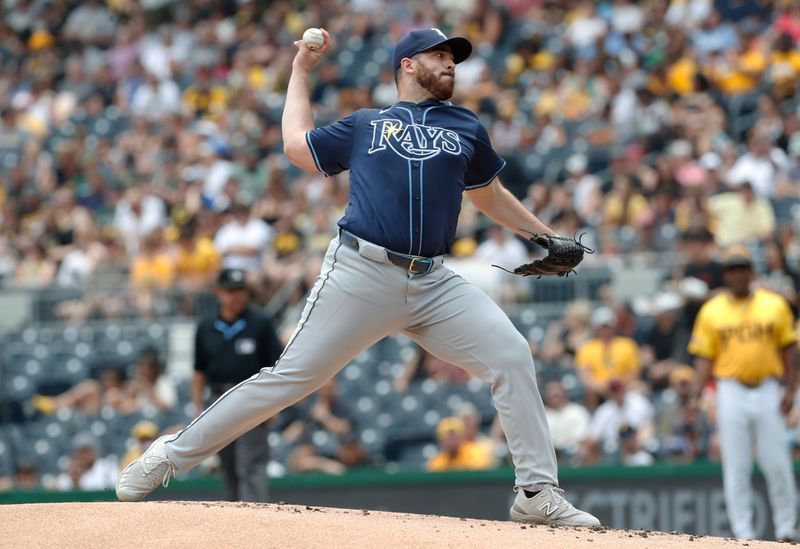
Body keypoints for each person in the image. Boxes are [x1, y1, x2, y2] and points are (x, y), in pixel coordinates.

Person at [117, 27, 599, 527]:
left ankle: (536, 491)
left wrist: (543, 236)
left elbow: (489, 195)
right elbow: (296, 146)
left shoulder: (466, 125)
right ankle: (169, 454)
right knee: (289, 380)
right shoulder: (368, 123)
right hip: (361, 272)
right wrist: (300, 71)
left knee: (512, 354)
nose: (451, 63)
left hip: (434, 282)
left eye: (454, 56)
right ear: (407, 65)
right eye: (439, 54)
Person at [688, 245, 798, 541]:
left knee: (777, 463)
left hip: (767, 388)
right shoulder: (712, 310)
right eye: (732, 269)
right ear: (725, 274)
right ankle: (743, 533)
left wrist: (791, 388)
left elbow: (790, 349)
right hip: (730, 390)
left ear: (752, 271)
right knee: (736, 465)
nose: (737, 273)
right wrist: (697, 394)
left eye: (742, 268)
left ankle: (786, 528)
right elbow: (704, 358)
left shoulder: (774, 304)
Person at [190, 268, 283, 502]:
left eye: (241, 290)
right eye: (231, 291)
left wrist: (273, 406)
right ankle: (236, 523)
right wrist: (198, 407)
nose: (237, 295)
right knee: (228, 466)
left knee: (251, 465)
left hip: (253, 399)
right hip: (218, 399)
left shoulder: (260, 323)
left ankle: (255, 519)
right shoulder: (206, 326)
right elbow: (199, 371)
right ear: (218, 293)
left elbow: (277, 367)